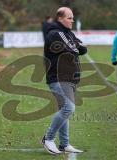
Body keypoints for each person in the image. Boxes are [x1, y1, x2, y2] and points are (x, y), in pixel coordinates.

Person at [42, 7, 87, 154]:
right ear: (60, 18)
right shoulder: (55, 33)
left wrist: (76, 45)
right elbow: (74, 49)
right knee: (69, 108)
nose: (72, 21)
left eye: (73, 18)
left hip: (69, 77)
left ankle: (64, 144)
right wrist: (75, 46)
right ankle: (48, 139)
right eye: (69, 18)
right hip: (58, 77)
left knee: (64, 110)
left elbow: (82, 48)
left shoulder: (67, 33)